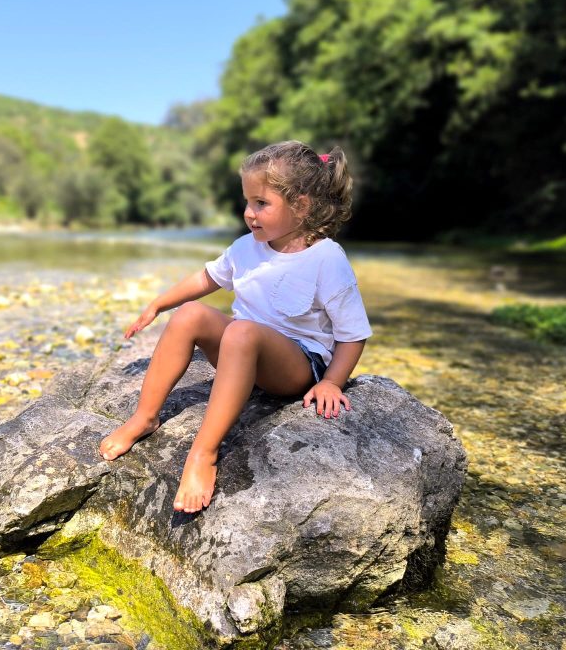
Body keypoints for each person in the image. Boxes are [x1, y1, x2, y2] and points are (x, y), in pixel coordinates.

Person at [99, 140, 372, 513]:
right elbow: (205, 278)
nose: (249, 213)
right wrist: (158, 304)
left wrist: (331, 382)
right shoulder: (247, 246)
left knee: (241, 331)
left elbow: (352, 333)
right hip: (239, 352)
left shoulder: (326, 258)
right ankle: (145, 417)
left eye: (261, 204)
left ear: (301, 206)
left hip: (293, 365)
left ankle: (203, 453)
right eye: (247, 202)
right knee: (192, 313)